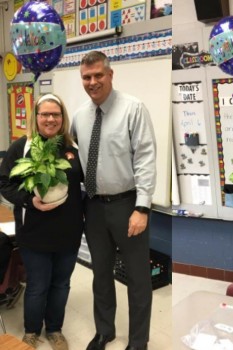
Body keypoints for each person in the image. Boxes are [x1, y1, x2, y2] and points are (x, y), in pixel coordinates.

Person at [71, 51, 156, 350]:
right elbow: (74, 162)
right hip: (92, 206)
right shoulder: (79, 116)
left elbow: (146, 158)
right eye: (86, 77)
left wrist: (142, 207)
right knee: (101, 274)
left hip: (128, 205)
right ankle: (104, 331)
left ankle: (137, 341)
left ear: (110, 74)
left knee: (138, 278)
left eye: (97, 75)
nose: (92, 82)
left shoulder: (133, 108)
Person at [0, 94, 84, 350]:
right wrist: (28, 200)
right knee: (37, 285)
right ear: (36, 118)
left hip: (67, 232)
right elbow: (4, 183)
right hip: (34, 232)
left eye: (55, 114)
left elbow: (84, 183)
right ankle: (32, 330)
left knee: (61, 283)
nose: (50, 119)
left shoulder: (72, 148)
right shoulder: (22, 147)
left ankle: (55, 329)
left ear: (62, 118)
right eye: (45, 114)